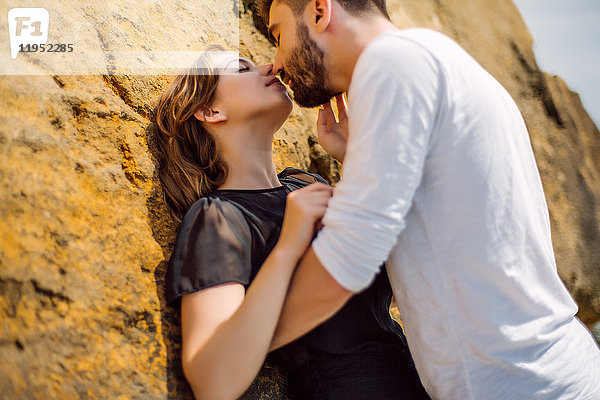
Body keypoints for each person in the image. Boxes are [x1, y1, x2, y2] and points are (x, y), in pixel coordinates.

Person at [257, 0, 600, 399]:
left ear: (319, 10)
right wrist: (354, 159)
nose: (277, 62)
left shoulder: (392, 62)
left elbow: (349, 254)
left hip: (521, 385)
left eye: (279, 34)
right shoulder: (433, 60)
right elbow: (430, 242)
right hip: (541, 375)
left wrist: (250, 343)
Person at [153, 49, 430, 399]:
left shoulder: (305, 184)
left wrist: (357, 159)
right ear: (210, 111)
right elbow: (213, 383)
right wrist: (287, 247)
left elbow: (408, 268)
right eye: (241, 69)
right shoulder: (218, 217)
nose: (269, 66)